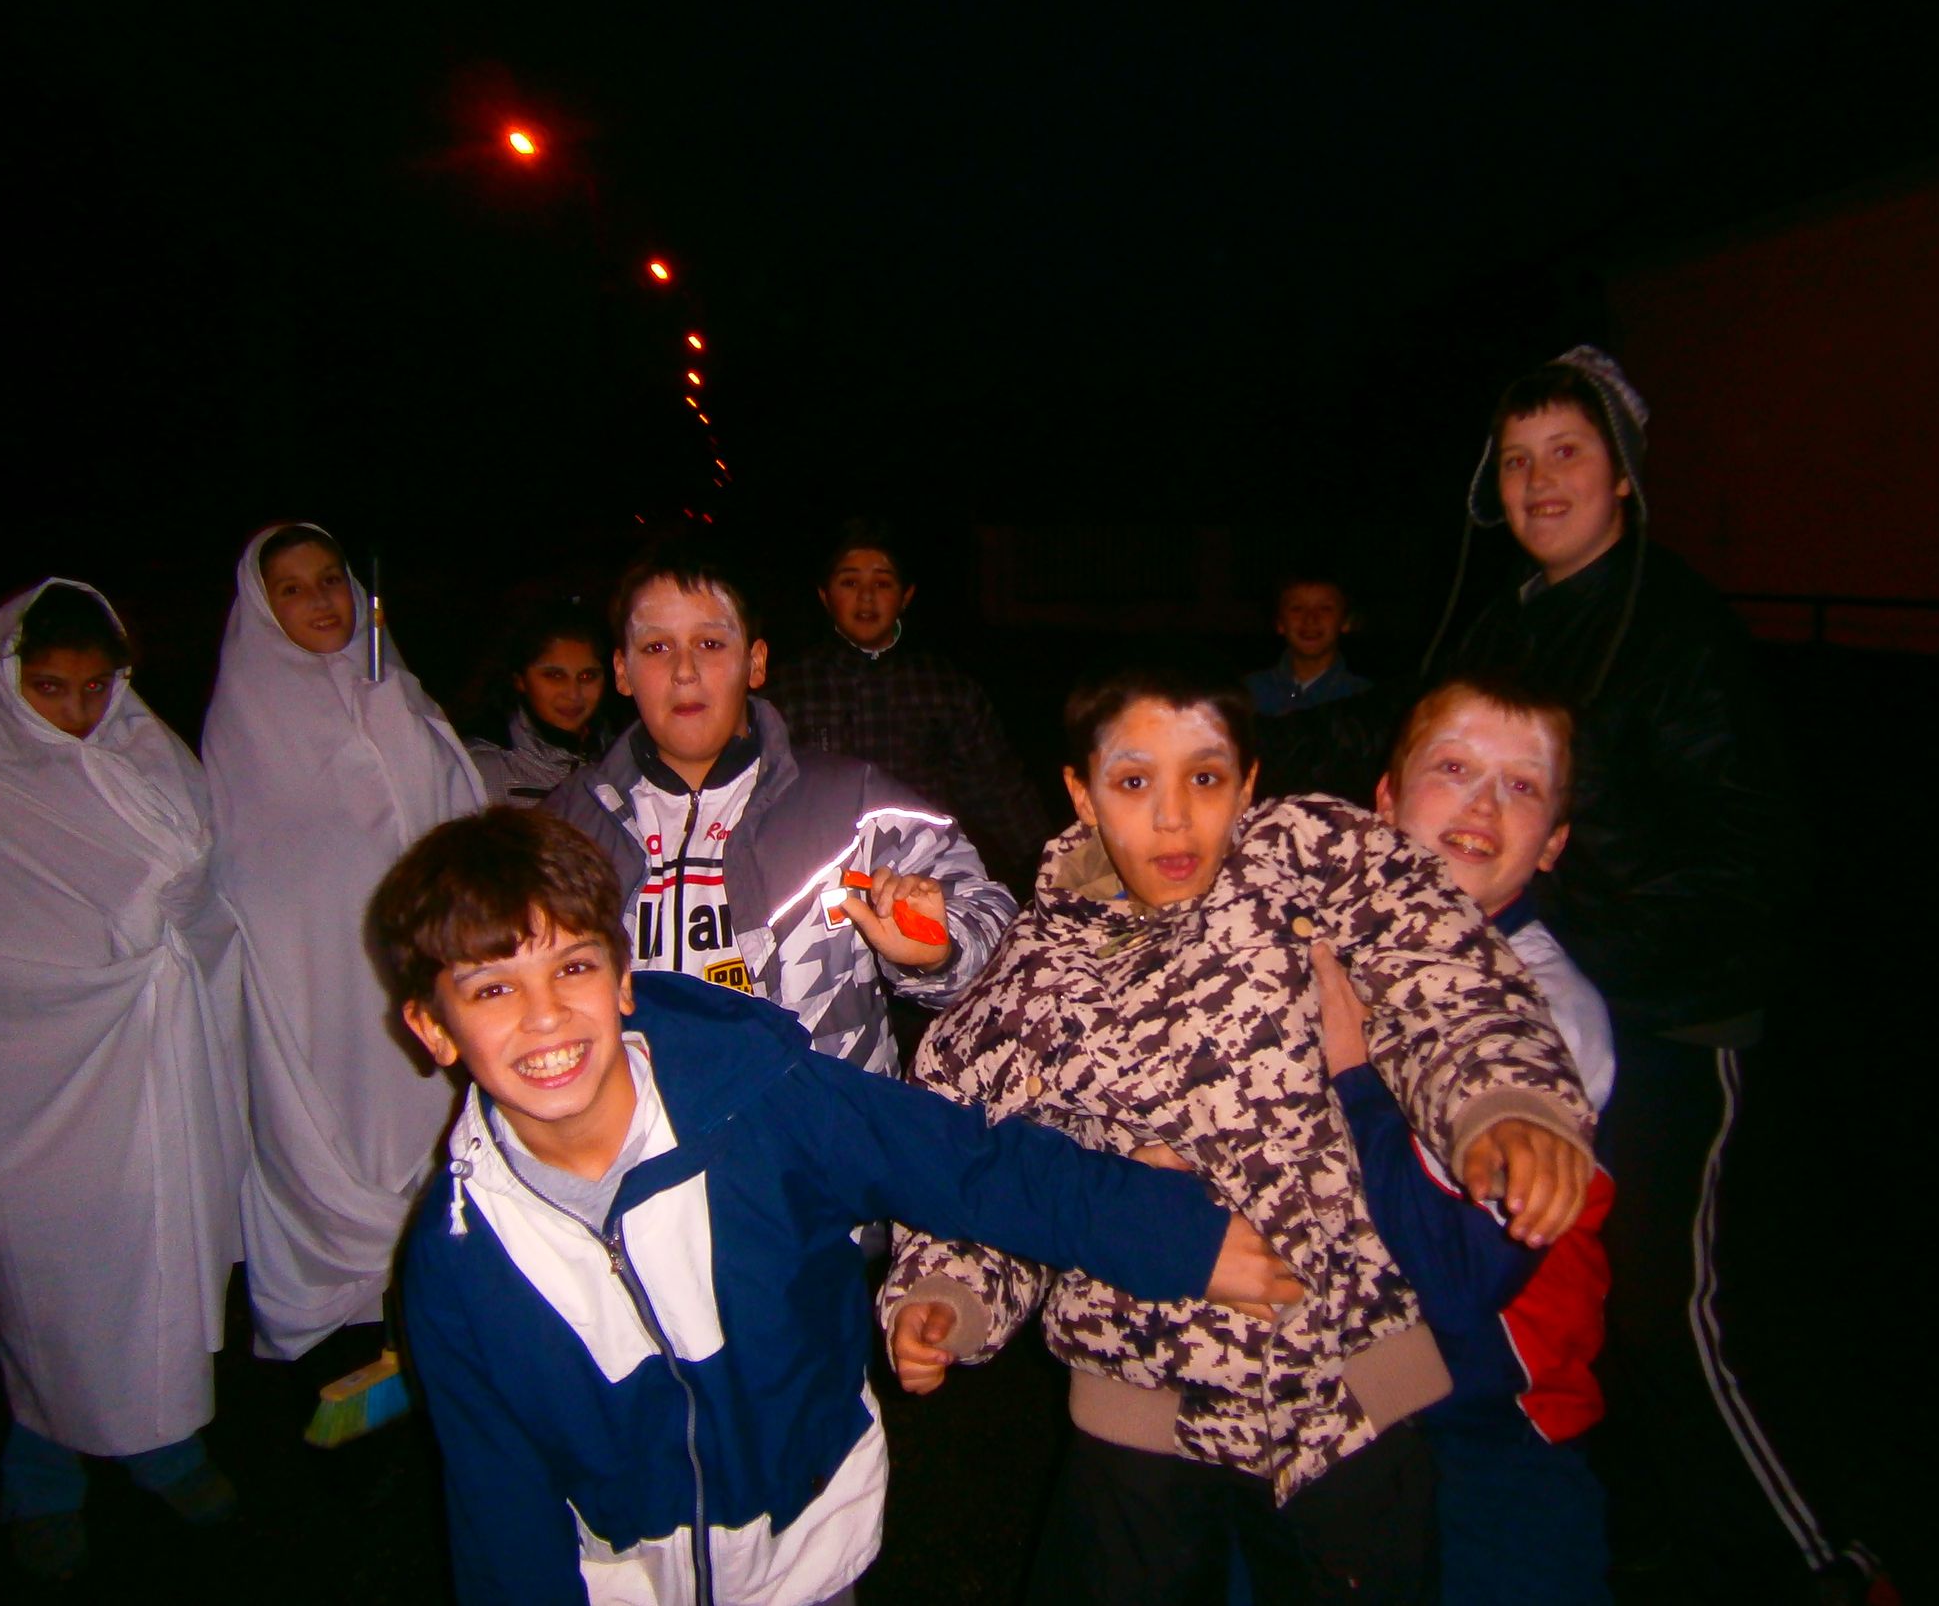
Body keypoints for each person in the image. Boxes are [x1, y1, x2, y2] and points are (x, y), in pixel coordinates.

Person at [377, 806, 1303, 1606]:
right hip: (624, 1581)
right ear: (431, 1027)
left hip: (809, 1547)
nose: (544, 1016)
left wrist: (1177, 1234)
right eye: (492, 988)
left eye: (573, 968)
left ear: (623, 978)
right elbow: (498, 1501)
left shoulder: (762, 1101)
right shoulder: (459, 1262)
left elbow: (967, 1162)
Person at [879, 663, 1595, 1604]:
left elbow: (1439, 971)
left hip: (1348, 1397)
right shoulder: (1034, 977)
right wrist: (945, 1291)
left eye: (1206, 778)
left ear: (1250, 783)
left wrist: (1504, 1106)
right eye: (1135, 781)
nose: (1173, 817)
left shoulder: (1309, 865)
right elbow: (984, 1153)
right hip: (1135, 1413)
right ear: (1082, 795)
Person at [1427, 350, 1881, 1601]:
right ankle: (1642, 1525)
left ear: (1622, 475)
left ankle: (1815, 1562)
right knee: (1560, 1280)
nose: (1539, 481)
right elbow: (1420, 748)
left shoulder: (1676, 631)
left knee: (1664, 1306)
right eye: (1515, 462)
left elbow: (1755, 859)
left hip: (1672, 1018)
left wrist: (1601, 938)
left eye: (1565, 453)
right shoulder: (1511, 622)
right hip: (1550, 1000)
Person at [1324, 673, 1620, 1604]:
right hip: (1317, 1418)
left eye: (1521, 786)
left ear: (1554, 842)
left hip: (1487, 1438)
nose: (1483, 806)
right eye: (1453, 768)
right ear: (1385, 799)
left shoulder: (1544, 1017)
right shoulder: (1325, 944)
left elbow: (1452, 1275)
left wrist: (1352, 1075)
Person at [0, 581, 249, 1580]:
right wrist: (102, 956)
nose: (77, 712)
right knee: (56, 1287)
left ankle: (163, 1446)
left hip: (160, 1062)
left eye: (95, 688)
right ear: (7, 678)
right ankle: (42, 1478)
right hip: (35, 1089)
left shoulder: (148, 753)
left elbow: (206, 889)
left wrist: (157, 935)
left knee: (157, 1260)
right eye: (50, 688)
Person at [545, 538, 1016, 1078]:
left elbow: (997, 933)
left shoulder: (854, 805)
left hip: (824, 1126)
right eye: (656, 647)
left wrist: (939, 951)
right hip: (640, 1126)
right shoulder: (563, 828)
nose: (684, 671)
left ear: (755, 662)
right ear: (622, 671)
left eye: (710, 643)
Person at [203, 523, 488, 1363]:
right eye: (292, 590)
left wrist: (392, 721)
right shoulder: (245, 722)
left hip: (416, 973)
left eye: (331, 580)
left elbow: (447, 820)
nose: (321, 602)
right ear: (263, 607)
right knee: (337, 1137)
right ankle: (349, 1342)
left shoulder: (396, 689)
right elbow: (255, 871)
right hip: (317, 989)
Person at [762, 521, 1053, 889]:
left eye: (883, 584)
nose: (866, 597)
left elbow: (998, 789)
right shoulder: (788, 689)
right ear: (824, 595)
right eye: (849, 583)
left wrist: (1053, 864)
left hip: (922, 876)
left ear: (906, 596)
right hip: (820, 878)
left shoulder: (943, 687)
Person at [466, 601, 617, 806]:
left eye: (587, 676)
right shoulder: (482, 770)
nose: (573, 694)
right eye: (554, 676)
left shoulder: (622, 758)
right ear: (520, 680)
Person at [1243, 573, 1371, 716]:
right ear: (1279, 623)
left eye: (1325, 608)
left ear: (1346, 621)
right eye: (1297, 608)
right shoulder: (1248, 693)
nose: (1310, 619)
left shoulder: (1364, 697)